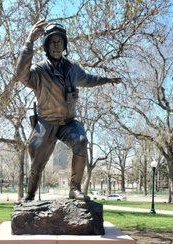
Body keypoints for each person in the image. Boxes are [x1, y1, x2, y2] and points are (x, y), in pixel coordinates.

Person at [16, 19, 122, 201]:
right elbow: (21, 75)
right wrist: (29, 42)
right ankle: (30, 195)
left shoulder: (73, 69)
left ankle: (74, 189)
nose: (57, 46)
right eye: (52, 42)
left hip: (68, 122)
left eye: (60, 42)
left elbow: (89, 79)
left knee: (81, 141)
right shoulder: (39, 70)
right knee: (37, 163)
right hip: (46, 123)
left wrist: (107, 79)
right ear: (46, 45)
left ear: (65, 45)